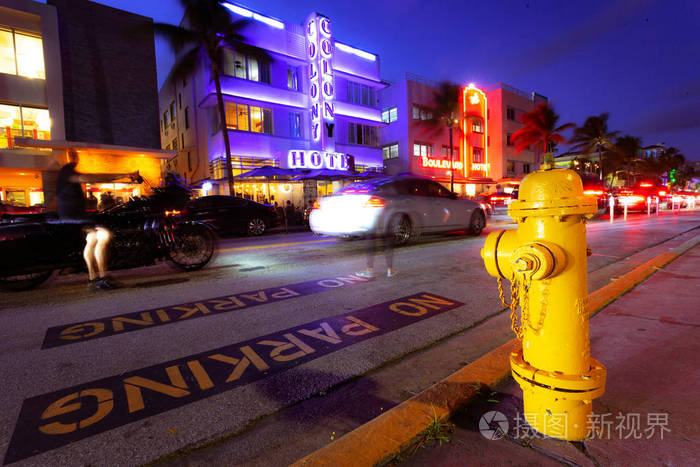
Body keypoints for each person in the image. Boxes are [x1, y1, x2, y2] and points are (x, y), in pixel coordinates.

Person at [56, 150, 140, 290]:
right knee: (103, 235)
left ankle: (93, 278)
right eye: (72, 155)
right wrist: (124, 175)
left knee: (93, 239)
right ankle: (101, 277)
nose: (75, 157)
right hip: (73, 216)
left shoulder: (66, 173)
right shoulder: (67, 172)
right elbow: (87, 178)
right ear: (66, 157)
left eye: (75, 155)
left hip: (74, 214)